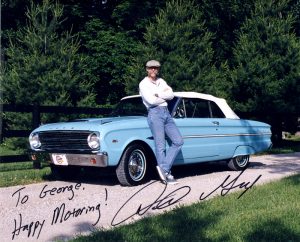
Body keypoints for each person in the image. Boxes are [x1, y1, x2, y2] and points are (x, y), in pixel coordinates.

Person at [139, 60, 184, 184]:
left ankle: (163, 168)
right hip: (155, 113)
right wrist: (163, 96)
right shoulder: (143, 84)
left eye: (156, 68)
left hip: (166, 113)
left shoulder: (161, 81)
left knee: (178, 141)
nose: (153, 70)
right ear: (147, 69)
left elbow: (171, 95)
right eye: (151, 68)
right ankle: (166, 175)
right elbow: (151, 101)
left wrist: (158, 93)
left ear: (158, 70)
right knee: (160, 146)